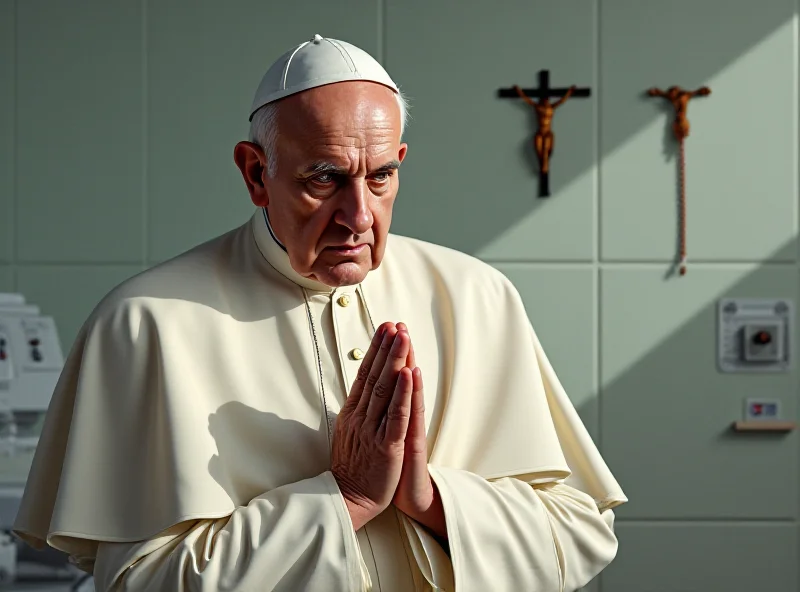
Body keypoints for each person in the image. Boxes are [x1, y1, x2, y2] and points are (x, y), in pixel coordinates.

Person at [13, 34, 627, 591]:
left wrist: (430, 498)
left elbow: (580, 535)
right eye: (324, 179)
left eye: (380, 177)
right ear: (257, 173)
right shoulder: (145, 322)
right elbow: (141, 583)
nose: (358, 216)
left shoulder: (476, 295)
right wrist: (347, 497)